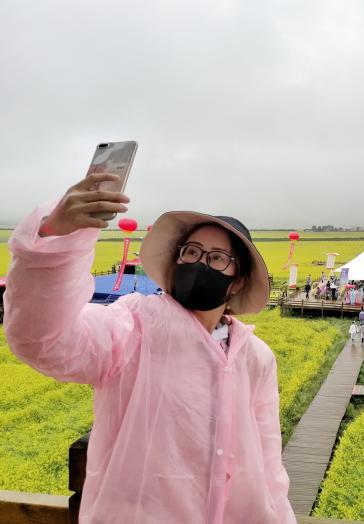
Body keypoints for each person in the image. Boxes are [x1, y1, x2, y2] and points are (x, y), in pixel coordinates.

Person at [3, 173, 295, 523]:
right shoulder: (133, 326)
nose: (200, 264)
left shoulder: (255, 358)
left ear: (238, 281)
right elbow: (43, 339)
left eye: (218, 258)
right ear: (175, 261)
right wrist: (55, 234)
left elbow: (268, 467)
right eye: (191, 252)